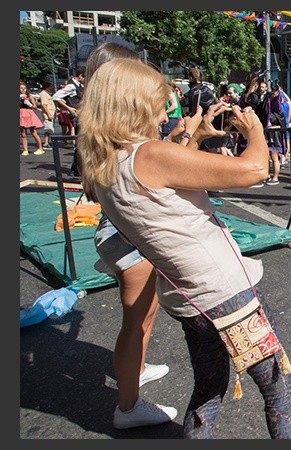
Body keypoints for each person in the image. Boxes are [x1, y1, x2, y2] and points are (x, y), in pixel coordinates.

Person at [78, 58, 291, 439]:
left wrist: (194, 138)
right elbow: (255, 170)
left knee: (208, 391)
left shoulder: (105, 165)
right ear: (133, 104)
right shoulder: (149, 154)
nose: (163, 114)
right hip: (227, 295)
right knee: (280, 392)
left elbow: (164, 184)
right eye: (157, 104)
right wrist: (255, 129)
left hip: (188, 299)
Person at [83, 41, 176, 430]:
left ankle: (135, 373)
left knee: (144, 319)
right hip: (127, 238)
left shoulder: (102, 135)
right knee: (136, 324)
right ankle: (128, 406)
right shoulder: (127, 144)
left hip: (118, 234)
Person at [52, 69, 85, 175]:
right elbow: (56, 96)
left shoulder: (79, 86)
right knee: (80, 143)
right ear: (80, 76)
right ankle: (76, 169)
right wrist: (69, 108)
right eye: (85, 77)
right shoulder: (71, 86)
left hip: (82, 115)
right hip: (77, 116)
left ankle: (77, 169)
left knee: (81, 143)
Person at [20, 81, 44, 156]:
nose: (23, 89)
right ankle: (25, 150)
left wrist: (29, 104)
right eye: (21, 88)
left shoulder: (29, 96)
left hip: (28, 114)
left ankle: (40, 148)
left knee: (33, 132)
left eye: (24, 88)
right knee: (23, 134)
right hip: (21, 114)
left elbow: (35, 107)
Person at [39, 81, 56, 150]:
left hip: (51, 114)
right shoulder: (43, 94)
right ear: (46, 87)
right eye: (50, 87)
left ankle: (48, 141)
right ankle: (46, 143)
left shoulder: (47, 94)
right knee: (48, 129)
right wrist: (48, 114)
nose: (52, 88)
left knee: (49, 129)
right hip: (48, 115)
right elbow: (44, 105)